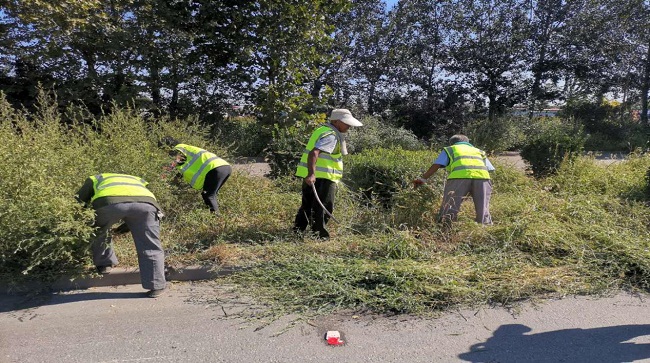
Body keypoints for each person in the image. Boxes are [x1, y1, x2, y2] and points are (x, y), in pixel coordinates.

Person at [76, 173, 167, 298]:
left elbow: (79, 201)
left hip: (108, 201)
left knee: (99, 231)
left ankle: (104, 264)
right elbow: (134, 209)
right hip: (146, 204)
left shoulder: (96, 178)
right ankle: (156, 286)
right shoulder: (138, 179)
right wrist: (122, 229)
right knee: (150, 244)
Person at [293, 109, 363, 239]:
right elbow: (314, 153)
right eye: (346, 123)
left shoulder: (323, 130)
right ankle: (319, 236)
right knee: (324, 206)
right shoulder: (331, 135)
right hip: (322, 177)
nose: (349, 126)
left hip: (314, 176)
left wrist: (310, 174)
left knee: (307, 205)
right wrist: (312, 174)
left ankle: (298, 231)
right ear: (336, 122)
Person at [413, 134, 495, 225]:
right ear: (468, 142)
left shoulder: (450, 149)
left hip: (458, 178)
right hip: (483, 178)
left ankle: (446, 226)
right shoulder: (479, 151)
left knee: (450, 205)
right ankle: (484, 227)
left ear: (452, 143)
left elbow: (437, 165)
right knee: (483, 207)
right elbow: (490, 168)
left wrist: (423, 178)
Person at [160, 137, 232, 215]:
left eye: (163, 149)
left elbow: (177, 162)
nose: (165, 152)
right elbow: (182, 165)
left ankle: (216, 219)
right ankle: (214, 216)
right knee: (211, 195)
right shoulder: (185, 147)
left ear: (166, 146)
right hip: (225, 167)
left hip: (214, 169)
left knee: (208, 195)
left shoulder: (176, 150)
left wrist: (163, 176)